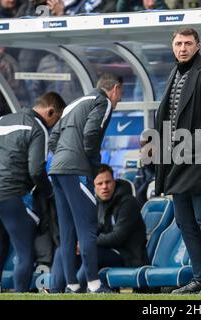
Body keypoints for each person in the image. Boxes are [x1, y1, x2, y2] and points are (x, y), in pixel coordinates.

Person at [155, 28, 201, 294]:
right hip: (175, 160)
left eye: (188, 43)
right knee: (185, 221)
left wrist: (189, 145)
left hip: (199, 159)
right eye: (178, 43)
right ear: (172, 46)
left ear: (198, 46)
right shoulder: (174, 74)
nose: (183, 48)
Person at [0, 92, 65, 293]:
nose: (54, 126)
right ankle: (19, 296)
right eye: (56, 120)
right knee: (25, 252)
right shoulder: (38, 128)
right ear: (50, 111)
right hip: (11, 195)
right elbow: (36, 169)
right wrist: (49, 192)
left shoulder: (2, 120)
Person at [49, 73, 123, 294]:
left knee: (67, 230)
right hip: (77, 170)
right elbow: (92, 133)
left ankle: (71, 285)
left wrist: (63, 156)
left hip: (57, 170)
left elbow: (53, 138)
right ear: (116, 89)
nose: (118, 101)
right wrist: (93, 166)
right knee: (87, 228)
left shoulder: (74, 104)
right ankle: (93, 285)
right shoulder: (103, 102)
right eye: (119, 96)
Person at [51, 164, 148, 292]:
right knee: (63, 250)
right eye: (100, 184)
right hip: (103, 251)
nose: (104, 187)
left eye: (108, 182)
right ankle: (55, 293)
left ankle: (76, 292)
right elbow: (93, 229)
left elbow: (118, 237)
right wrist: (76, 243)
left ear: (114, 181)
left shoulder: (128, 202)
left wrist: (86, 243)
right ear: (93, 186)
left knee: (91, 251)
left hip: (126, 256)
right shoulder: (95, 203)